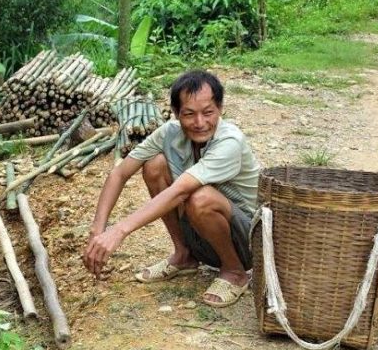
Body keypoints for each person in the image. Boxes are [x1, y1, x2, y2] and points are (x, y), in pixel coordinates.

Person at [82, 70, 260, 307]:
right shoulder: (169, 133)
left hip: (248, 242)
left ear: (220, 109)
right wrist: (98, 229)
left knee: (200, 197)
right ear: (176, 113)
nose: (200, 123)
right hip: (203, 232)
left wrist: (119, 231)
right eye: (189, 114)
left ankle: (235, 271)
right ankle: (184, 255)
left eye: (208, 113)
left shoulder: (230, 141)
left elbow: (181, 192)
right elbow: (120, 173)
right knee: (154, 165)